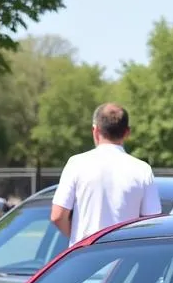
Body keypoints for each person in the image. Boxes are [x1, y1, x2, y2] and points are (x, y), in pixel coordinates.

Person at [51, 103, 160, 244]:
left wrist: (79, 241)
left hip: (83, 259)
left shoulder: (77, 164)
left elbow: (57, 216)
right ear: (127, 132)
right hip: (126, 260)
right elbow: (152, 223)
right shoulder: (142, 170)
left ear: (95, 130)